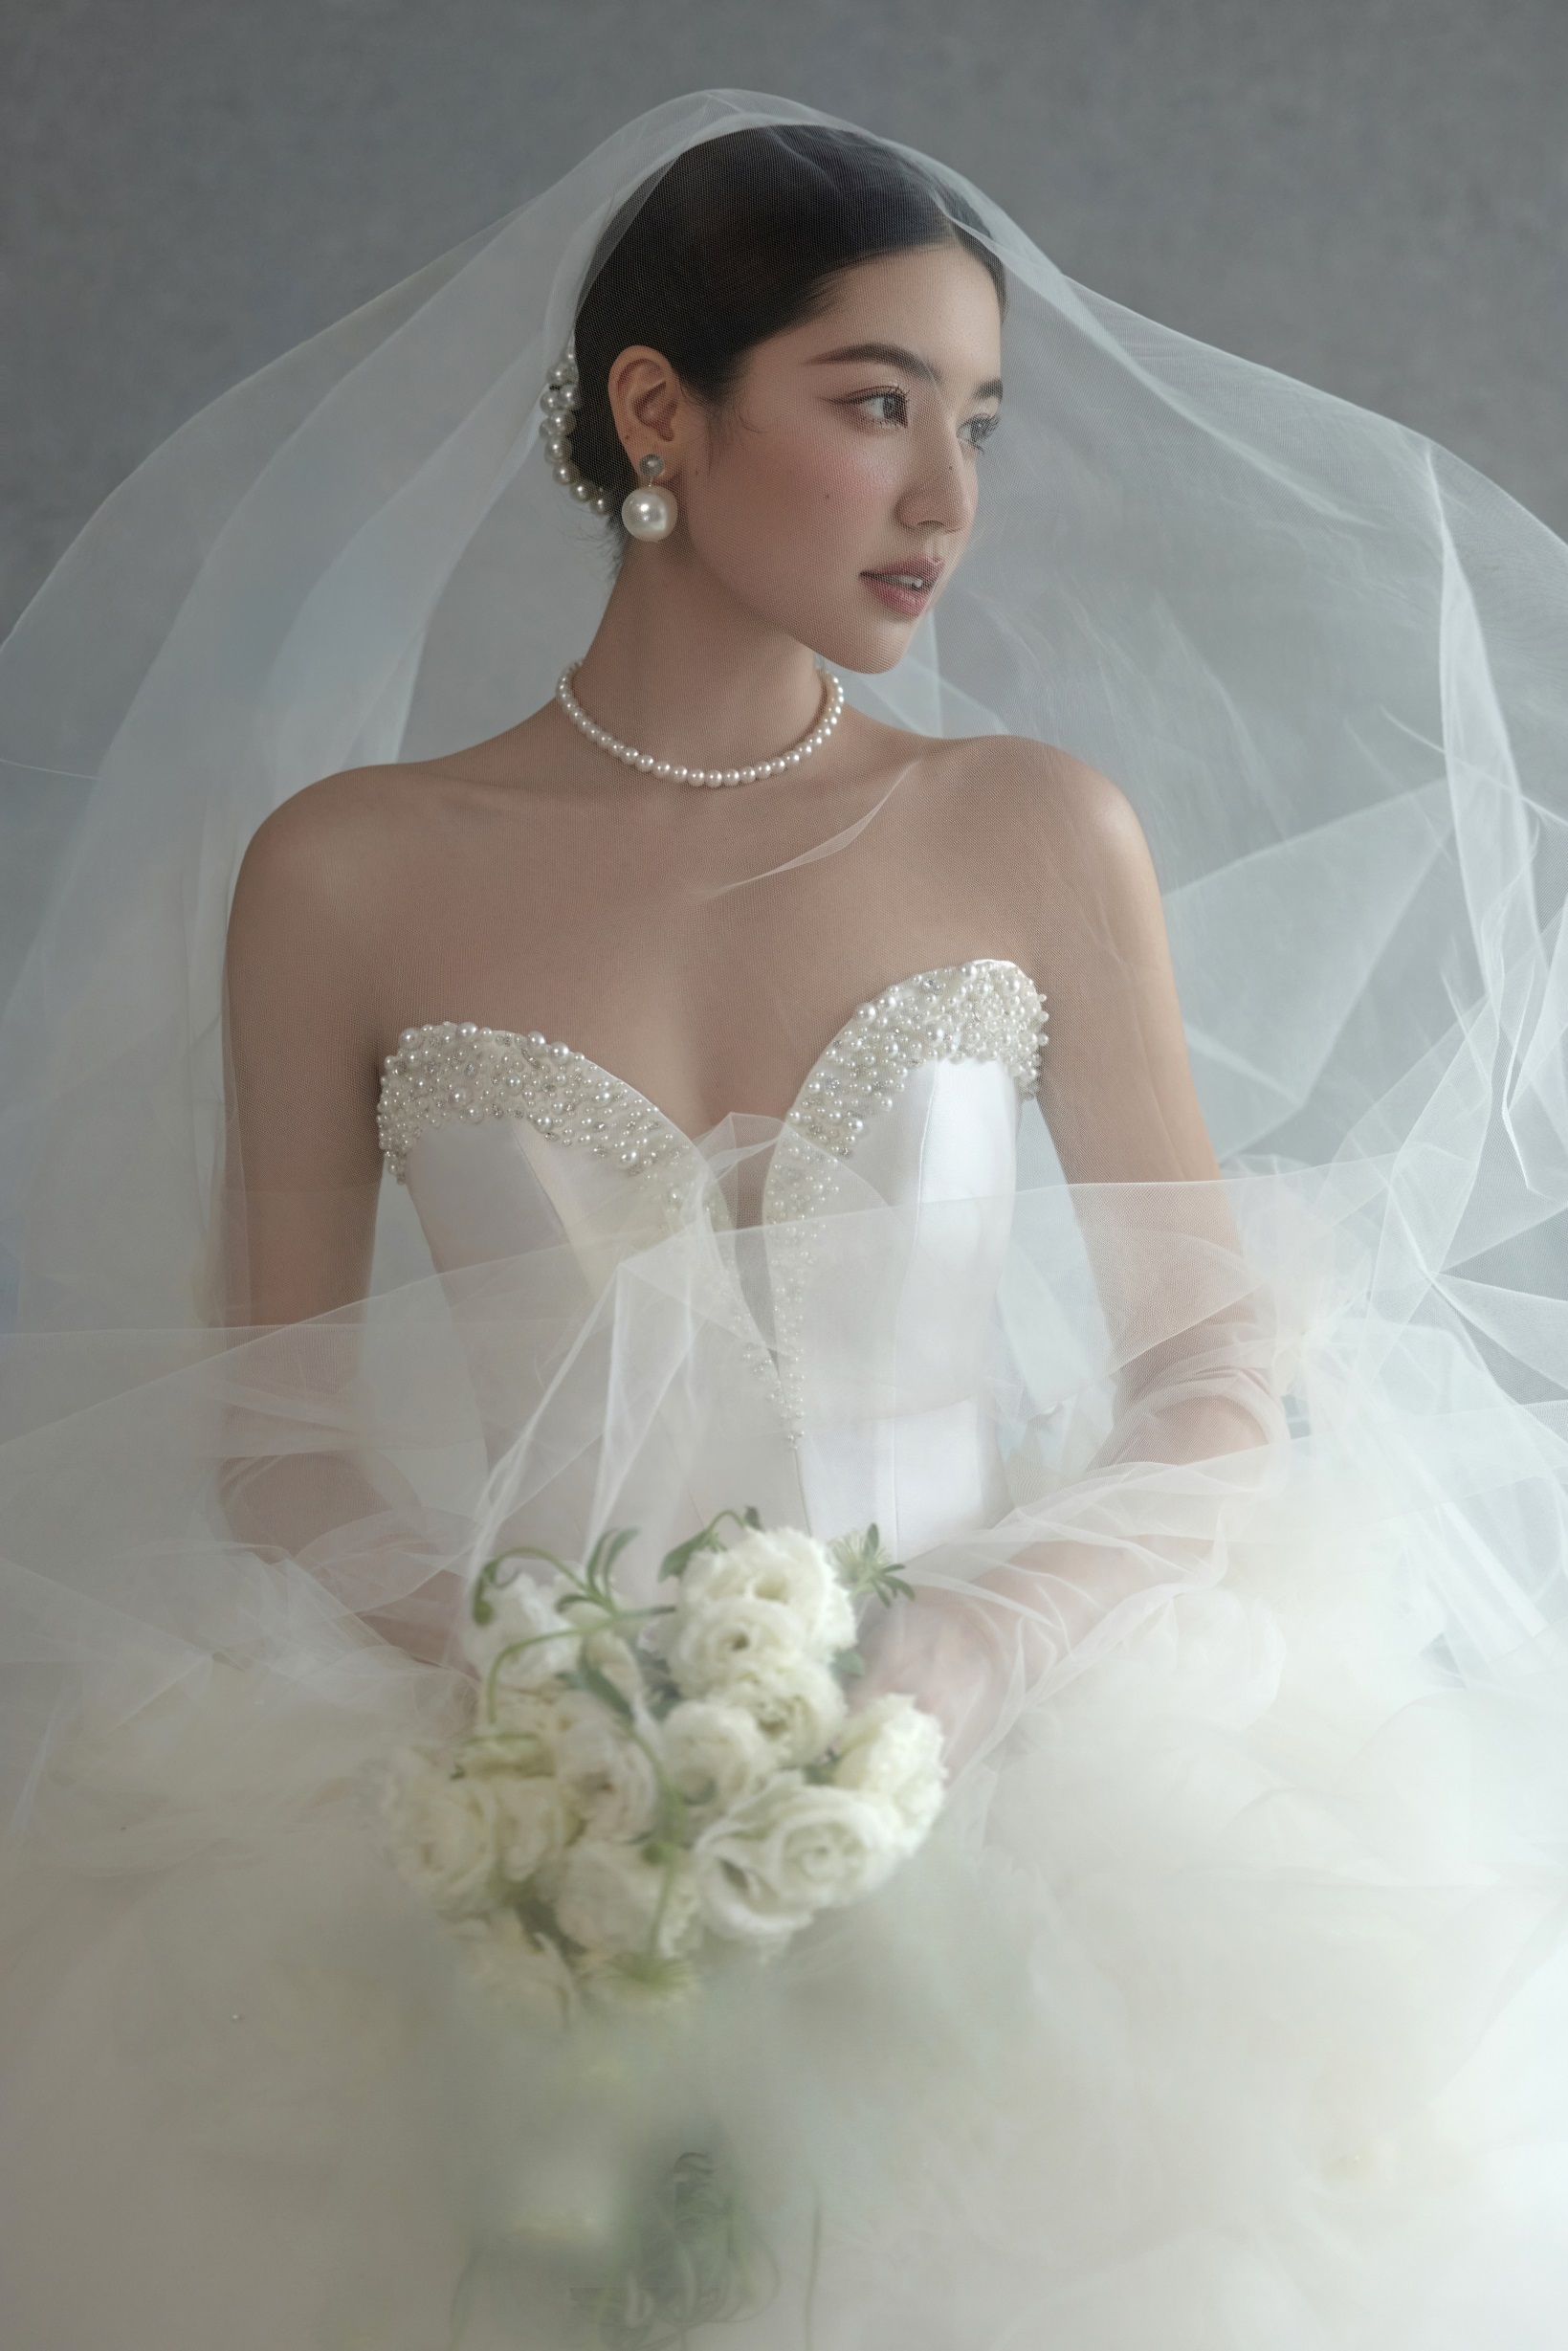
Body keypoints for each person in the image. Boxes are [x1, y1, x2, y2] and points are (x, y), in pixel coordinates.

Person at [1, 92, 1566, 2350]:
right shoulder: (344, 871)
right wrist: (541, 1700)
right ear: (659, 411)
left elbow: (1210, 1371)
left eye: (976, 424)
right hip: (506, 1767)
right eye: (874, 405)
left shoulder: (1032, 829)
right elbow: (281, 1436)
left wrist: (976, 1644)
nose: (947, 500)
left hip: (1030, 1779)